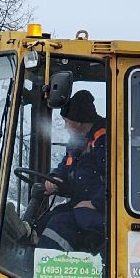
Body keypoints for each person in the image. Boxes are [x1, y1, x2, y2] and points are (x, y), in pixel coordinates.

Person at [37, 89, 109, 254]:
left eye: (66, 121)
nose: (64, 126)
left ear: (77, 122)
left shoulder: (104, 141)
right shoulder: (78, 143)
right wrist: (55, 179)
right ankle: (31, 242)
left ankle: (49, 268)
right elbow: (65, 166)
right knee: (45, 220)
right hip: (80, 203)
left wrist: (95, 203)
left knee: (59, 225)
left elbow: (116, 181)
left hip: (102, 209)